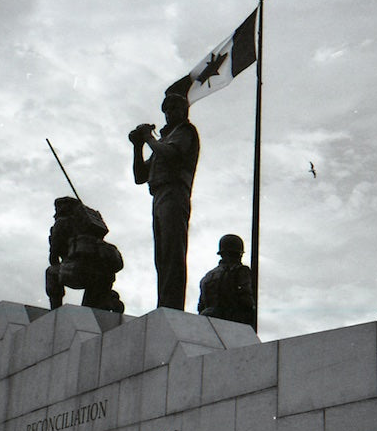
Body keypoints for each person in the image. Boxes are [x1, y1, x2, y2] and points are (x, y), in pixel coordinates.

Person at [129, 93, 200, 310]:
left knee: (172, 250)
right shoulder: (163, 140)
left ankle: (172, 305)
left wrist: (148, 137)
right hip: (159, 195)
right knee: (162, 254)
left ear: (183, 110)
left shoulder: (186, 132)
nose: (169, 114)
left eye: (173, 109)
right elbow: (140, 176)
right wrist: (137, 146)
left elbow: (170, 154)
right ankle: (165, 303)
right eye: (166, 110)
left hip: (175, 192)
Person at [45, 196, 125, 313]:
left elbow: (54, 257)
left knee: (51, 272)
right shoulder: (90, 225)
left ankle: (55, 311)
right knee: (89, 310)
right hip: (105, 275)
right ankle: (109, 299)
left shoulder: (62, 222)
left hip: (78, 270)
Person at [197, 234, 254, 326]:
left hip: (208, 323)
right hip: (231, 322)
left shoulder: (207, 276)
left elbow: (201, 306)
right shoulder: (241, 271)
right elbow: (246, 300)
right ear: (239, 254)